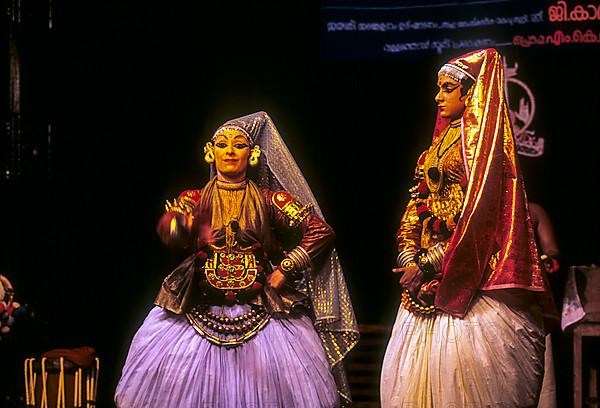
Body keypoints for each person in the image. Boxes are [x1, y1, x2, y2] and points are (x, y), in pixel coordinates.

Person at [114, 111, 359, 408]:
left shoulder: (271, 200)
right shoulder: (194, 199)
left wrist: (287, 267)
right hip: (199, 307)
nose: (230, 151)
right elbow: (171, 229)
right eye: (222, 144)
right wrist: (179, 226)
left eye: (239, 145)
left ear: (253, 154)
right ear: (210, 152)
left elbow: (320, 231)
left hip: (263, 310)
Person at [380, 48, 558, 407]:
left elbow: (479, 219)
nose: (437, 97)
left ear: (470, 93)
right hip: (423, 287)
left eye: (447, 89)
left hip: (474, 283)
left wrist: (427, 263)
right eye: (438, 88)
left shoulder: (486, 154)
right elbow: (416, 205)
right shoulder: (432, 151)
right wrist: (408, 254)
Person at [529, 201, 561, 408]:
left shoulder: (534, 211)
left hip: (532, 294)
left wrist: (548, 259)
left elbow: (551, 250)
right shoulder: (485, 207)